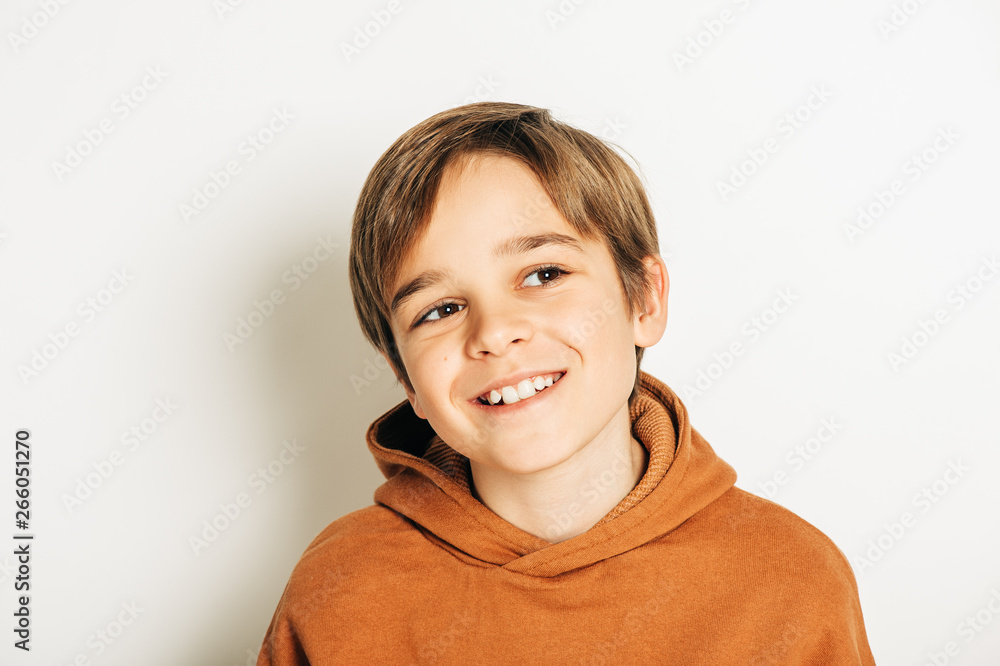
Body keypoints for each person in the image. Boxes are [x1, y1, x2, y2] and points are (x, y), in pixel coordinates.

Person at [257, 101, 876, 664]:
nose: (495, 332)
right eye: (440, 310)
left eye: (543, 273)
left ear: (644, 299)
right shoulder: (340, 591)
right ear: (406, 379)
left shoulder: (790, 579)